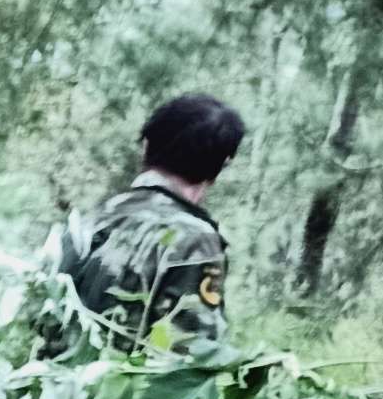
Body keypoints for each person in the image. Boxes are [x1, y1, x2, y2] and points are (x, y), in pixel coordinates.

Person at [61, 92, 245, 345]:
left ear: (145, 146)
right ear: (219, 168)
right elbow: (194, 353)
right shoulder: (196, 241)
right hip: (124, 383)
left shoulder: (90, 220)